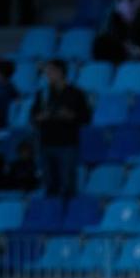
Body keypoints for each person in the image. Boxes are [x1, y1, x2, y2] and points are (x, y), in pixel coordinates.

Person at [29, 60, 90, 198]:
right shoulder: (43, 94)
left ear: (60, 72)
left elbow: (85, 117)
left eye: (51, 71)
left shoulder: (75, 93)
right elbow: (33, 117)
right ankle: (51, 213)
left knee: (67, 184)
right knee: (49, 184)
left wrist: (70, 116)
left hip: (67, 143)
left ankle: (67, 214)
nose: (48, 75)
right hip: (46, 142)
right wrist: (42, 117)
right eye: (47, 72)